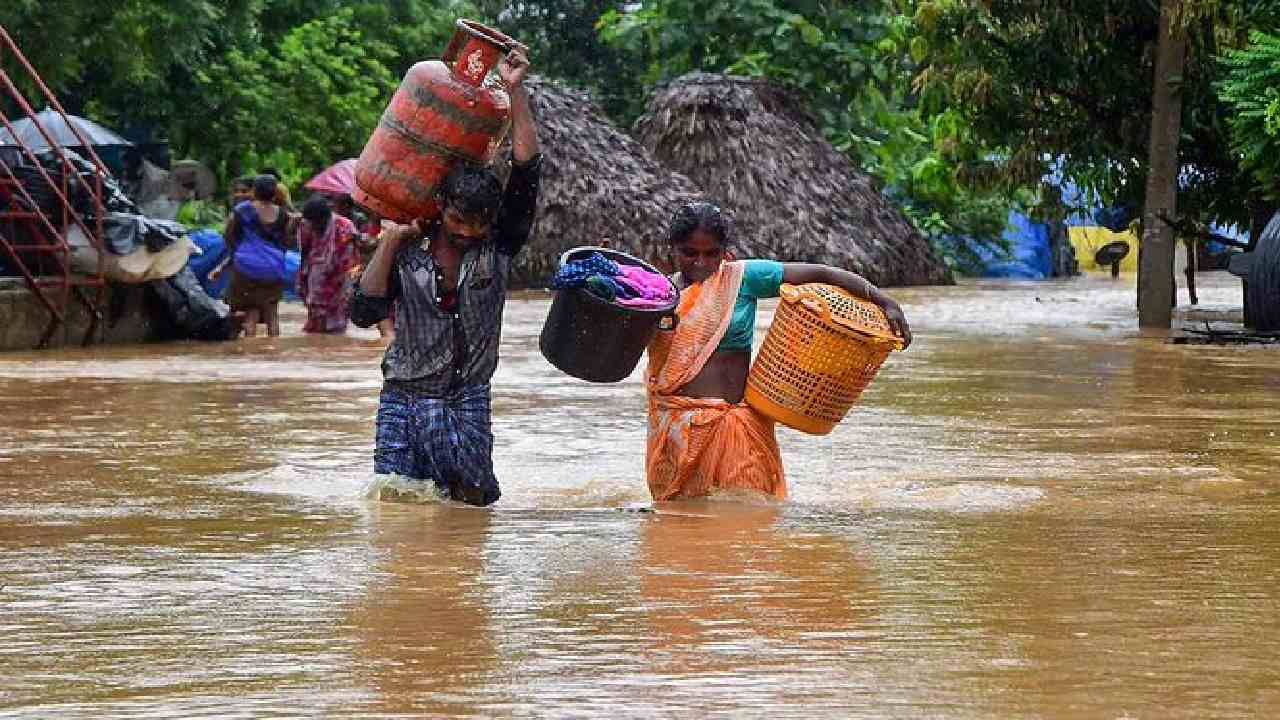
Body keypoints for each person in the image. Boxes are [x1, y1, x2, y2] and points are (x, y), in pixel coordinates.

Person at [350, 45, 540, 507]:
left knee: (472, 505)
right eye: (459, 221)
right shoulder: (407, 248)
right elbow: (363, 311)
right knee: (396, 503)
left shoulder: (498, 247)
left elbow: (526, 169)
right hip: (403, 399)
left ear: (491, 220)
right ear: (442, 209)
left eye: (478, 223)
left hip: (468, 399)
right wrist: (390, 242)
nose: (468, 232)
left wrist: (515, 92)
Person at [645, 201, 912, 502]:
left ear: (725, 251)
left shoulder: (742, 278)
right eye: (689, 253)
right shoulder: (656, 297)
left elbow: (822, 274)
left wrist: (885, 301)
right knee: (681, 525)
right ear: (673, 248)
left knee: (748, 516)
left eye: (712, 253)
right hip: (677, 428)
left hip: (738, 427)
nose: (702, 263)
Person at [210, 174, 297, 337]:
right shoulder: (283, 215)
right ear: (274, 193)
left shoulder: (243, 210)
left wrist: (232, 259)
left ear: (254, 191)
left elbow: (228, 236)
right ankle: (273, 350)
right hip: (273, 269)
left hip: (246, 268)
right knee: (272, 313)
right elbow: (287, 243)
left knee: (250, 312)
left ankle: (250, 352)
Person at [296, 196, 361, 334]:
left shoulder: (345, 226)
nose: (314, 226)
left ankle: (333, 345)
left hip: (341, 276)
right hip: (316, 274)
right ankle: (318, 345)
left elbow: (353, 254)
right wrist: (301, 279)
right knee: (315, 312)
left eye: (317, 222)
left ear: (325, 218)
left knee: (339, 316)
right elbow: (304, 252)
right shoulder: (305, 225)